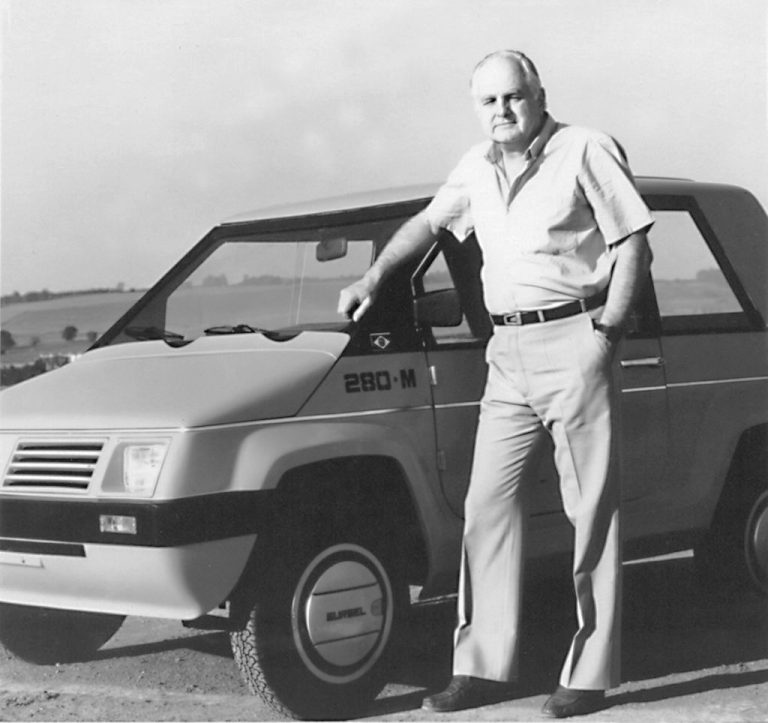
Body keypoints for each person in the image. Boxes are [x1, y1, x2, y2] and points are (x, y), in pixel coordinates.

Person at [338, 49, 653, 719]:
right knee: (487, 507)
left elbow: (633, 242)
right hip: (506, 352)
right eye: (489, 101)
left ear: (539, 94)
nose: (502, 110)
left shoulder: (584, 148)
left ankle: (589, 674)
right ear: (476, 108)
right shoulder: (475, 166)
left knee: (591, 512)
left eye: (514, 96)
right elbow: (428, 224)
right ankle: (481, 667)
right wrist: (373, 278)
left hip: (576, 339)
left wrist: (607, 332)